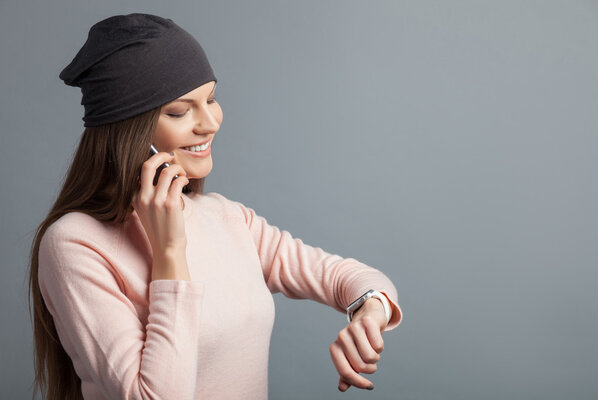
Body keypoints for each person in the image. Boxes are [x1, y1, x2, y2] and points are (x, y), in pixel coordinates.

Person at [27, 13, 403, 400]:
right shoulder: (74, 244)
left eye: (211, 99)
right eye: (179, 111)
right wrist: (169, 252)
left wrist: (369, 313)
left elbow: (353, 277)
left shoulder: (226, 218)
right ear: (129, 129)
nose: (211, 123)